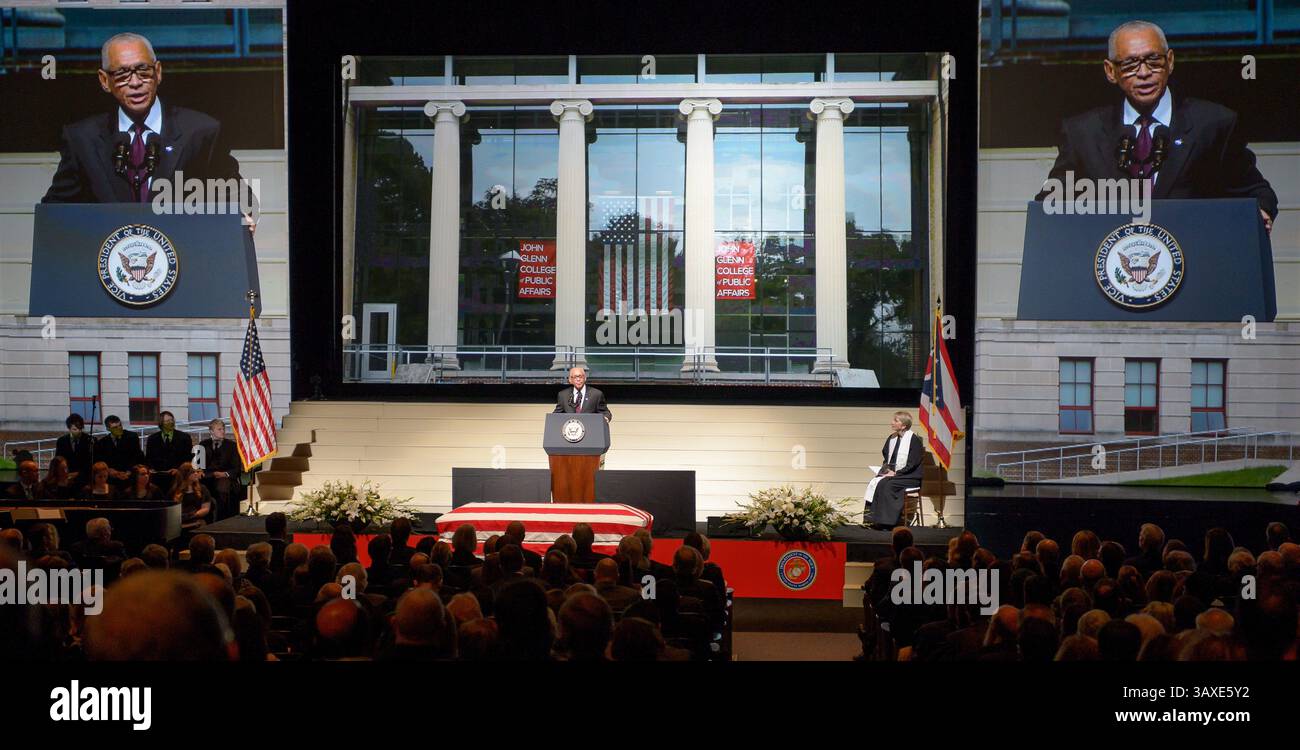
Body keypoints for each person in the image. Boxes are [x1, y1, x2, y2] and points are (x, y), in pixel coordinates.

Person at [1034, 20, 1277, 234]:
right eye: (1130, 64)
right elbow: (1050, 203)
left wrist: (1262, 209)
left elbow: (1256, 192)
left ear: (1170, 61)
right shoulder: (1083, 133)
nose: (1144, 73)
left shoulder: (1213, 124)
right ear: (1110, 71)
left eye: (1153, 61)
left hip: (1195, 266)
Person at [41, 31, 257, 233]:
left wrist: (241, 216)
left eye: (143, 71)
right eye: (122, 74)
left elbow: (237, 194)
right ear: (104, 81)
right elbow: (55, 210)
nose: (135, 83)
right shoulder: (82, 139)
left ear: (158, 72)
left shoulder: (200, 132)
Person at [862, 411, 926, 528]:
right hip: (895, 474)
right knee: (876, 483)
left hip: (910, 476)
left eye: (896, 421)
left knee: (889, 486)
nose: (892, 423)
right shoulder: (892, 439)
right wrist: (885, 471)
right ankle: (872, 520)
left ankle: (887, 523)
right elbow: (887, 458)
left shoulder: (914, 440)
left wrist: (896, 473)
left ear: (903, 425)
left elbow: (912, 463)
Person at [199, 419, 243, 519]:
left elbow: (236, 469)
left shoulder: (232, 446)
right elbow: (197, 465)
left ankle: (221, 519)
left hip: (225, 478)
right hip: (207, 477)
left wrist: (225, 474)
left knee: (222, 487)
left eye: (223, 429)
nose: (222, 431)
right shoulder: (203, 445)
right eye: (219, 429)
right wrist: (199, 471)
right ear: (211, 431)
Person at [95, 415, 144, 487]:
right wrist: (109, 470)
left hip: (130, 475)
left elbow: (138, 456)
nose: (119, 428)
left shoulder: (132, 437)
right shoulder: (102, 443)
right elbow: (101, 461)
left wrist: (129, 471)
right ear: (108, 428)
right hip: (111, 478)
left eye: (120, 425)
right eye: (115, 427)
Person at [145, 411, 193, 478]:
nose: (171, 422)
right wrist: (152, 469)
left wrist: (179, 470)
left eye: (172, 420)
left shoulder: (184, 437)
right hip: (158, 474)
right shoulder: (152, 439)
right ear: (161, 423)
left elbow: (188, 457)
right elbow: (149, 458)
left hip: (178, 475)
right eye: (167, 421)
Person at [170, 462, 213, 529]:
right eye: (193, 472)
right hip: (179, 522)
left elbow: (205, 508)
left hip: (196, 520)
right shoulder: (174, 491)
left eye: (196, 471)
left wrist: (192, 515)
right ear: (185, 474)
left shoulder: (202, 489)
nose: (196, 474)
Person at [54, 414, 93, 484]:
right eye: (75, 429)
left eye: (80, 429)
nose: (78, 431)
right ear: (69, 428)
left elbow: (91, 461)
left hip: (84, 478)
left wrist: (78, 473)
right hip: (66, 477)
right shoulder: (62, 441)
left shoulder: (89, 440)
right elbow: (58, 460)